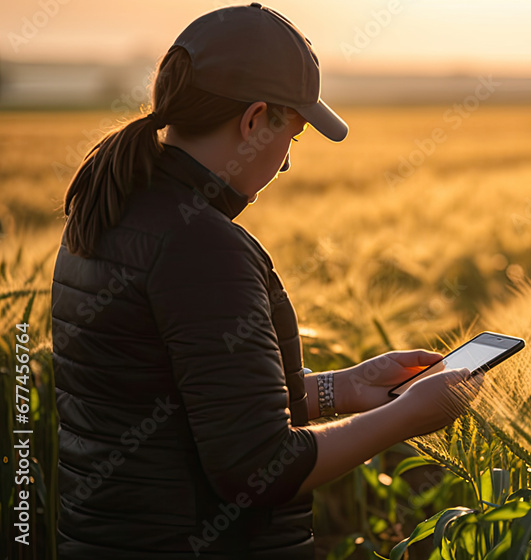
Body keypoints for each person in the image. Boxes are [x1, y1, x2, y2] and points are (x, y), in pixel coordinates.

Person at [50, 4, 478, 558]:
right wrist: (406, 415)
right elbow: (256, 468)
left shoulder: (109, 209)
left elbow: (180, 400)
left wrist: (342, 388)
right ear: (253, 121)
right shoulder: (202, 249)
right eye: (292, 139)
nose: (285, 166)